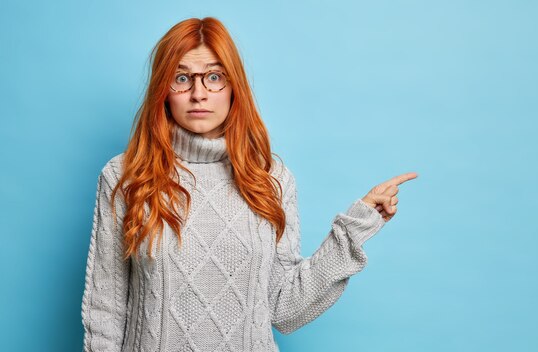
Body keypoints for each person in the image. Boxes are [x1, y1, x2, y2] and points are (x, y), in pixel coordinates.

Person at [80, 16, 418, 352]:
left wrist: (354, 229)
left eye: (214, 77)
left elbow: (285, 308)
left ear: (233, 87)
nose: (199, 93)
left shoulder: (270, 178)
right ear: (163, 91)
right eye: (181, 78)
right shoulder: (126, 176)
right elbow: (105, 312)